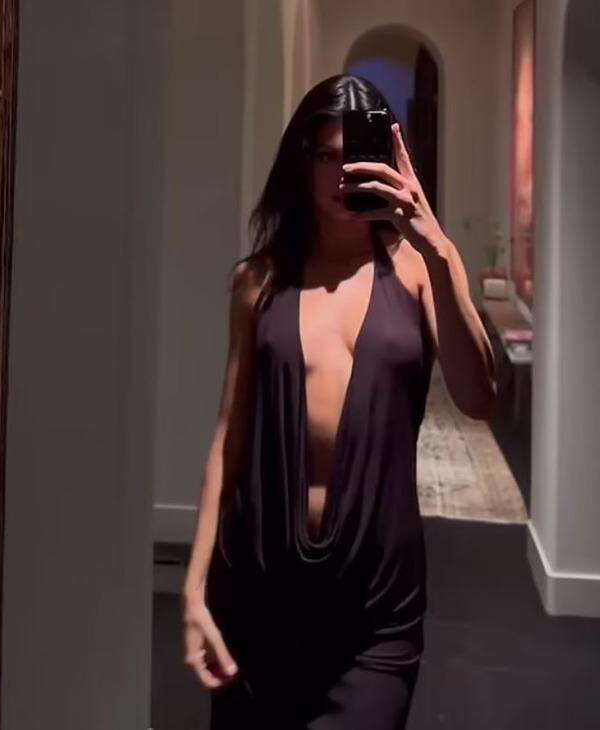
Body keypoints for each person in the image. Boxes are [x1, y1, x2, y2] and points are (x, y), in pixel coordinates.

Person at [181, 74, 496, 730]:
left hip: (376, 604)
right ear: (301, 164)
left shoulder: (420, 270)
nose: (341, 174)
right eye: (325, 155)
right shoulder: (259, 281)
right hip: (258, 591)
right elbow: (229, 437)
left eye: (356, 157)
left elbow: (477, 397)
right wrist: (193, 586)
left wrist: (435, 241)